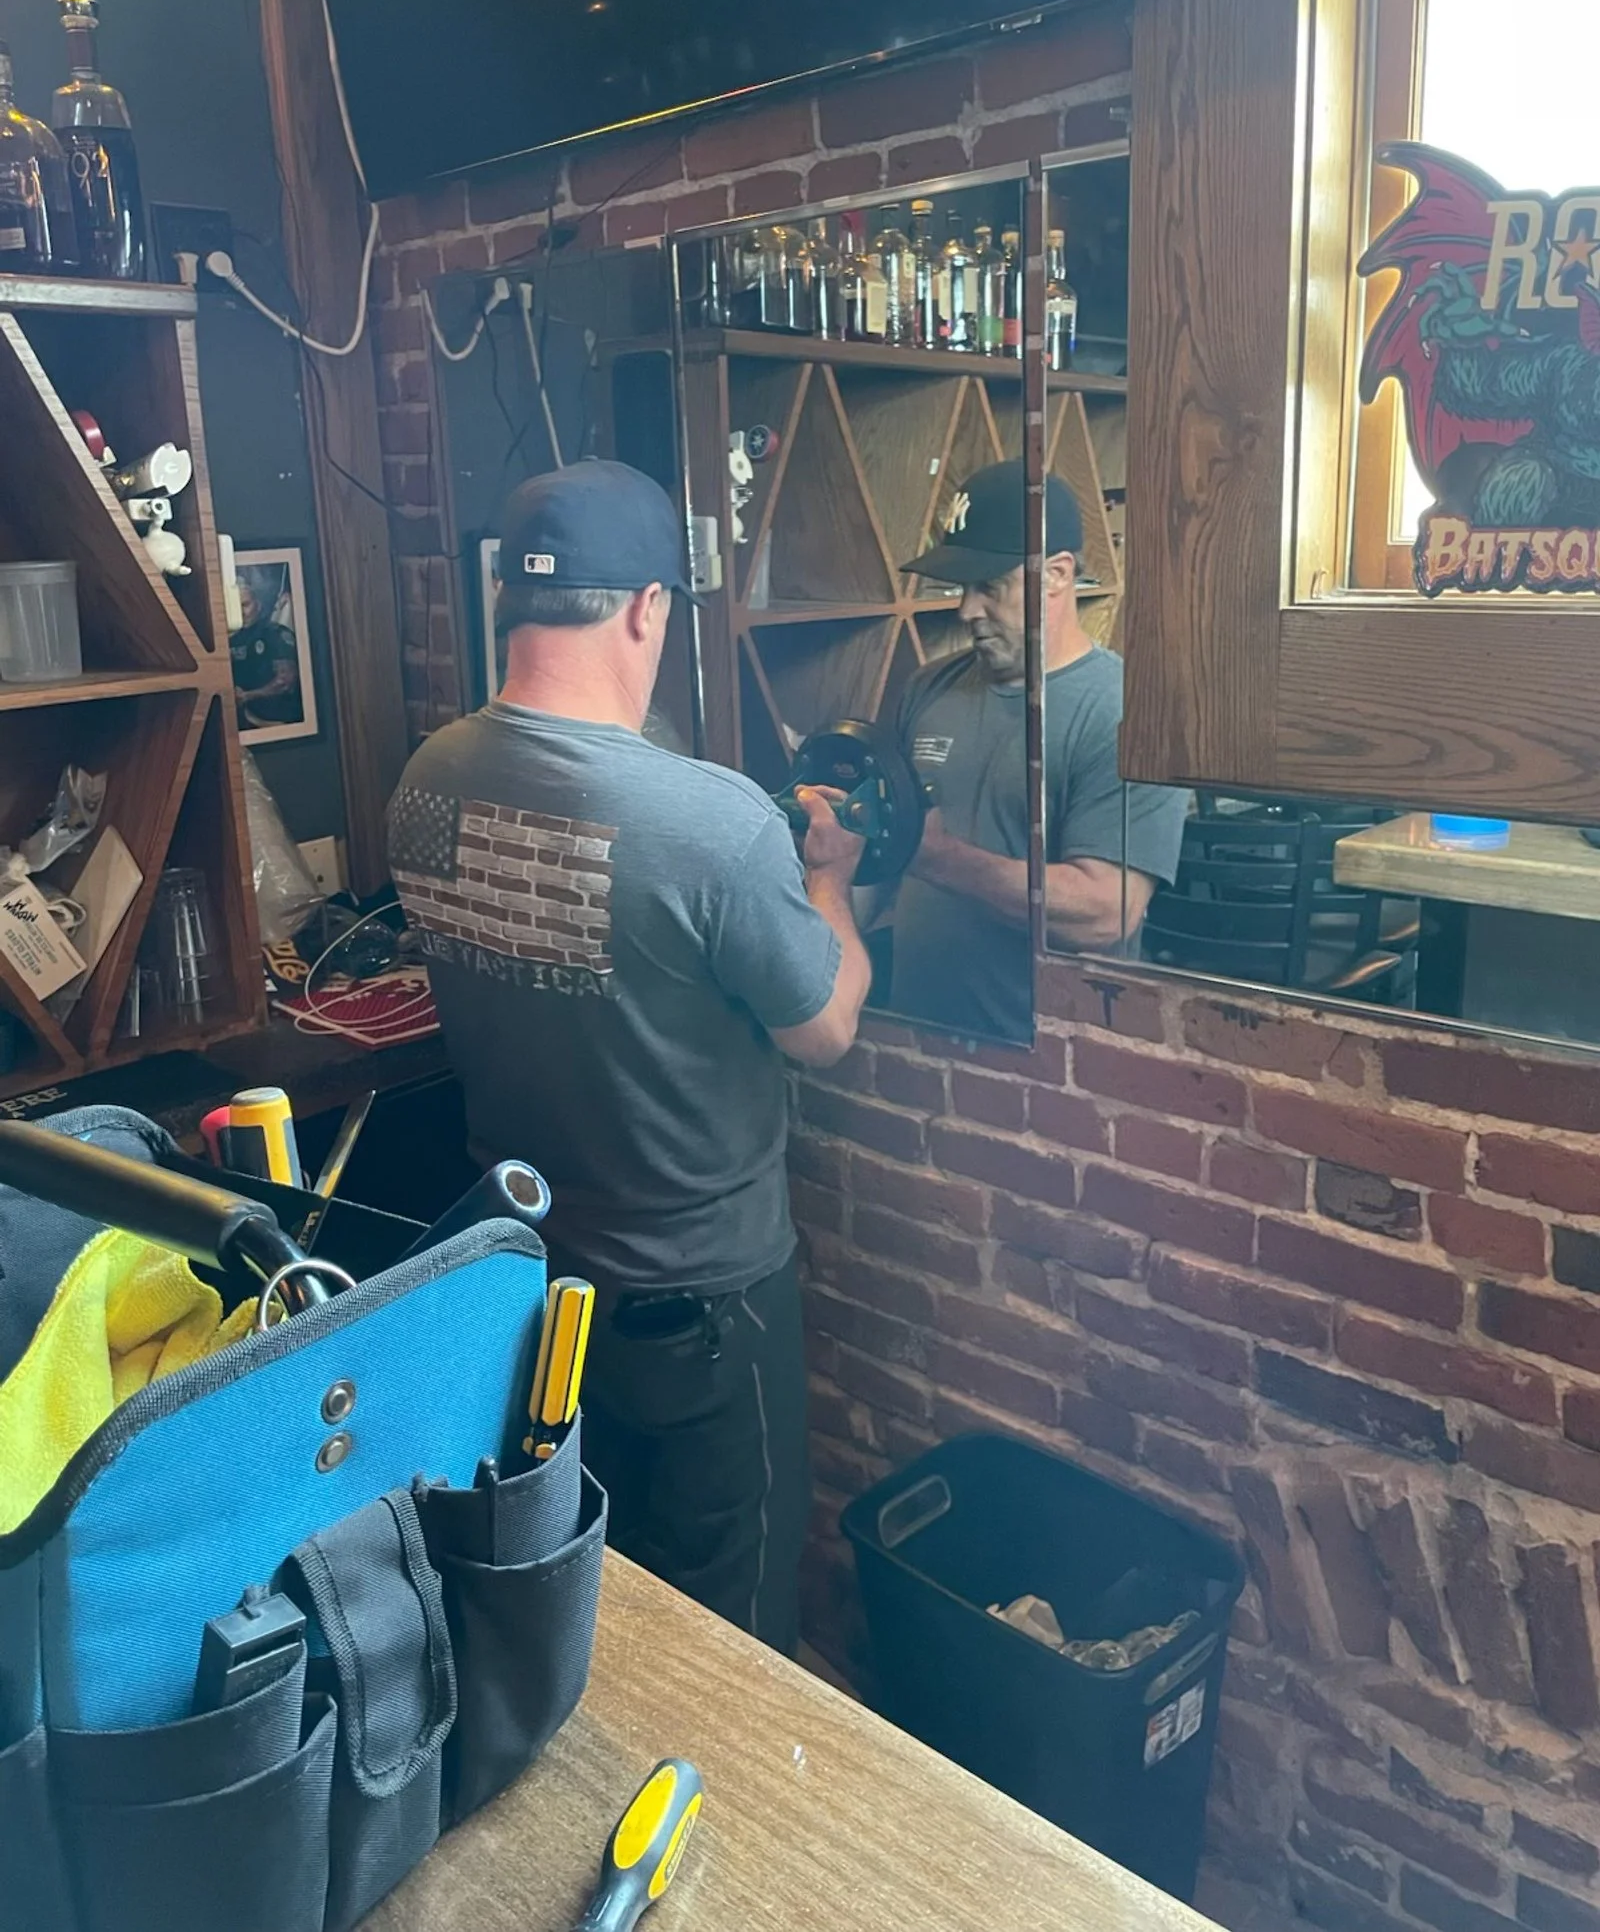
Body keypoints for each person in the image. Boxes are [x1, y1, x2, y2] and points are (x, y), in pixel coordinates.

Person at [388, 460, 870, 1655]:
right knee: (736, 1646)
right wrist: (828, 883)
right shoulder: (712, 823)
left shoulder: (427, 782)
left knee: (592, 1619)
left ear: (513, 598)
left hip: (534, 1295)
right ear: (650, 608)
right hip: (702, 1310)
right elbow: (825, 1029)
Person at [889, 459, 1189, 1041]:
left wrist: (936, 858)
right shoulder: (928, 687)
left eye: (988, 587)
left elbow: (1108, 911)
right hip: (911, 1040)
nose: (966, 610)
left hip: (1050, 1074)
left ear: (1055, 575)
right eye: (960, 587)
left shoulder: (1124, 711)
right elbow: (874, 868)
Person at [230, 576, 302, 729]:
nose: (241, 612)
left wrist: (247, 696)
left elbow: (285, 682)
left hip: (278, 723)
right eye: (236, 606)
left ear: (258, 604)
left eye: (245, 605)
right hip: (245, 720)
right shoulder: (231, 639)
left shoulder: (275, 633)